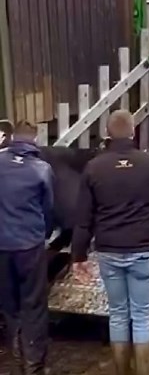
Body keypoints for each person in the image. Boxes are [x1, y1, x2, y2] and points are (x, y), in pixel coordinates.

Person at [71, 109, 149, 375]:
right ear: (133, 131)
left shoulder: (94, 168)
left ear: (108, 134)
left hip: (108, 252)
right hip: (143, 251)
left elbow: (83, 219)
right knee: (141, 317)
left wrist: (78, 257)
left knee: (118, 315)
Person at [0, 120, 54, 375]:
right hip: (29, 245)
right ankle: (33, 364)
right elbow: (48, 209)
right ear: (35, 138)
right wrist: (43, 235)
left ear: (11, 139)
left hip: (1, 245)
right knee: (34, 304)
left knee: (10, 303)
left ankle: (17, 350)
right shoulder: (41, 169)